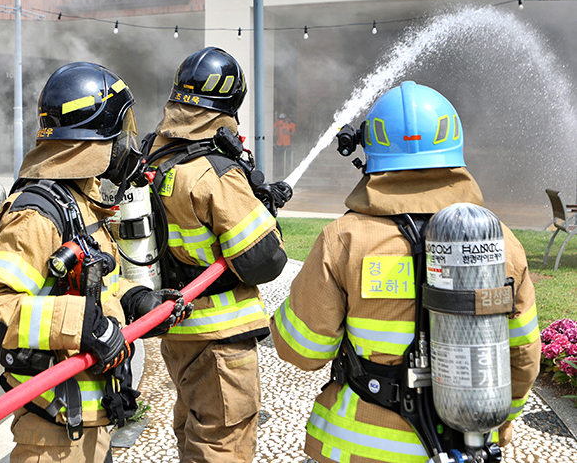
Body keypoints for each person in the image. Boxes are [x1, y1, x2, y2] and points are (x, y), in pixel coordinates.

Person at [271, 81, 540, 463]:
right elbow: (524, 351)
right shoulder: (500, 243)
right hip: (463, 445)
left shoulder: (344, 239)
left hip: (355, 448)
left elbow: (303, 350)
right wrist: (501, 416)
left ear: (372, 154)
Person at [0, 62, 191, 463]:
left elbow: (91, 287)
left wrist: (139, 300)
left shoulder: (81, 204)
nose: (129, 145)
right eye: (121, 134)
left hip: (89, 423)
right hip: (51, 437)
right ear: (92, 140)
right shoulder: (36, 215)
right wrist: (81, 325)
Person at [143, 46, 289, 462]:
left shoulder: (155, 153)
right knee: (223, 441)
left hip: (178, 329)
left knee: (192, 428)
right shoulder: (214, 173)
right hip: (220, 337)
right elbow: (264, 261)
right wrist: (265, 215)